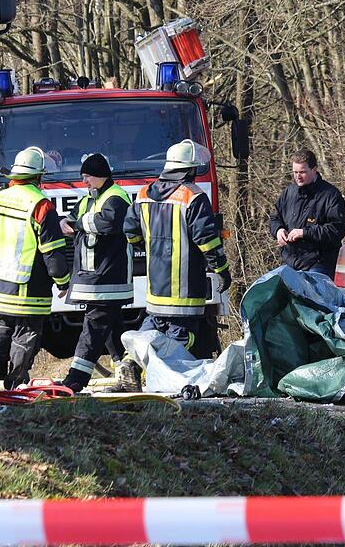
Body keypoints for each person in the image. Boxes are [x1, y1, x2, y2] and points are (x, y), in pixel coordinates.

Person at [118, 139, 231, 389]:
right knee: (182, 337)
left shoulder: (144, 193)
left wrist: (148, 248)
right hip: (185, 285)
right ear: (189, 169)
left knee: (152, 325)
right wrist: (222, 270)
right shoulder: (193, 196)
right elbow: (207, 241)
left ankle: (130, 362)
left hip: (155, 285)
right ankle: (164, 378)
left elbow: (130, 231)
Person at [0, 147, 71, 391]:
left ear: (13, 176)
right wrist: (62, 280)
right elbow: (52, 249)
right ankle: (16, 381)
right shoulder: (41, 206)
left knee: (2, 326)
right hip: (29, 283)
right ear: (39, 177)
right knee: (26, 332)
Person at [58, 153, 134, 393]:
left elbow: (108, 223)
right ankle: (128, 372)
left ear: (100, 175)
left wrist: (79, 224)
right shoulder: (88, 200)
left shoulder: (116, 197)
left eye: (87, 176)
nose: (84, 182)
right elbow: (72, 219)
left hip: (108, 278)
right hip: (94, 278)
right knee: (112, 329)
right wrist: (66, 224)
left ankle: (76, 380)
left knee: (93, 329)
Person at [268, 149, 345, 278]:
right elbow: (275, 218)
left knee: (310, 294)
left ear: (314, 169)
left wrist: (304, 233)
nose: (297, 176)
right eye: (295, 172)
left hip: (319, 263)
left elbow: (337, 230)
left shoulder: (331, 195)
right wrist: (278, 230)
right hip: (289, 261)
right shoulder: (289, 193)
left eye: (302, 172)